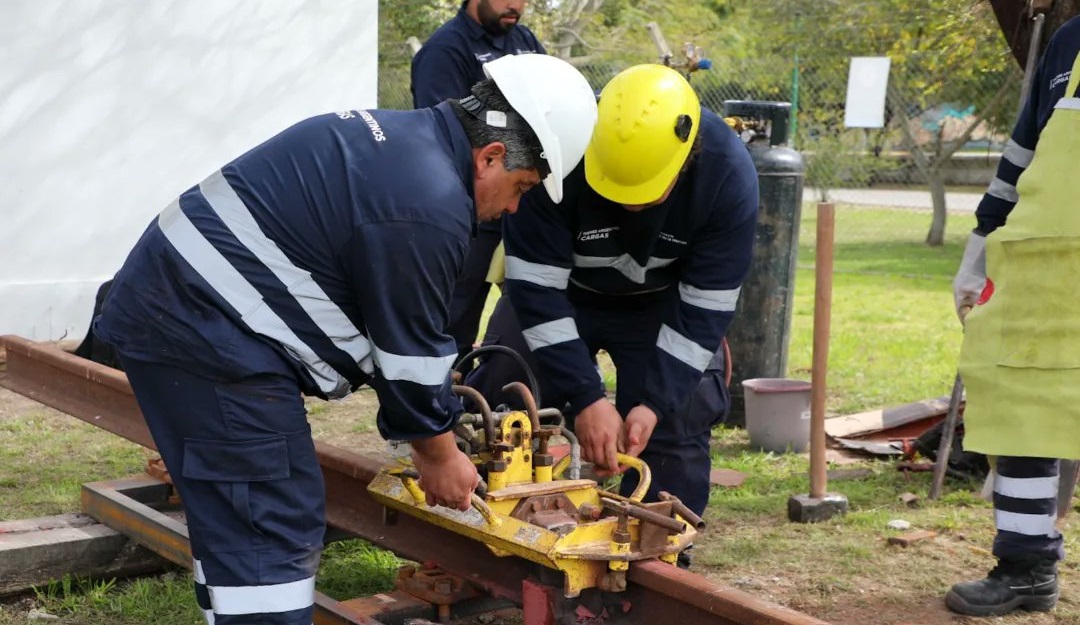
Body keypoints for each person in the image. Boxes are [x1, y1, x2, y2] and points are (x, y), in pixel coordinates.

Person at [92, 53, 598, 625]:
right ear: (491, 156)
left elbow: (351, 294)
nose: (512, 207)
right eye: (522, 187)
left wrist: (426, 395)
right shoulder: (429, 204)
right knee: (270, 513)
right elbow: (406, 351)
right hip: (205, 329)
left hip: (176, 309)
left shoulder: (402, 145)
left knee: (237, 514)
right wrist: (438, 452)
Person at [467, 64, 759, 528]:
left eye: (645, 193)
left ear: (687, 157)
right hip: (560, 297)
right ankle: (483, 522)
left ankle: (656, 547)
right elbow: (535, 289)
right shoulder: (558, 146)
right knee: (506, 386)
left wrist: (652, 405)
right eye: (616, 190)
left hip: (662, 306)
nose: (630, 206)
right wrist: (586, 397)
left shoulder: (727, 175)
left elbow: (706, 306)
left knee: (680, 412)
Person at [948, 15, 1080, 617]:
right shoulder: (1069, 40)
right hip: (1047, 269)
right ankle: (1027, 567)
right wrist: (979, 250)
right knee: (1021, 402)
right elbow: (1022, 153)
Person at [411, 0, 546, 374]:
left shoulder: (526, 41)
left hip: (521, 199)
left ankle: (500, 401)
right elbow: (443, 135)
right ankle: (436, 408)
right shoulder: (445, 49)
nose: (515, 5)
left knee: (528, 312)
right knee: (454, 313)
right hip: (468, 208)